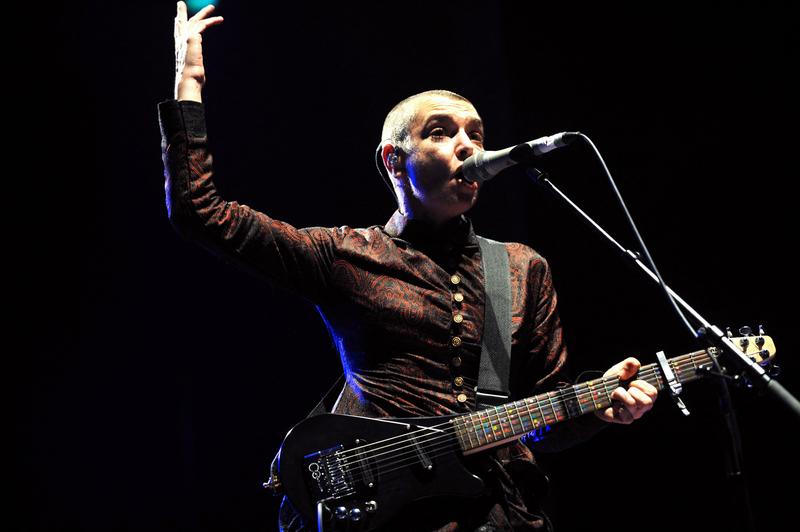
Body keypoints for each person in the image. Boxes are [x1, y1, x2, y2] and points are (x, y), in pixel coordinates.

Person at [159, 3, 658, 530]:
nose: (467, 145)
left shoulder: (520, 267)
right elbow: (202, 213)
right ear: (394, 161)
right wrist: (187, 81)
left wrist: (600, 410)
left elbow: (542, 421)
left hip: (499, 512)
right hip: (394, 516)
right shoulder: (348, 255)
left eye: (477, 134)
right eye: (441, 132)